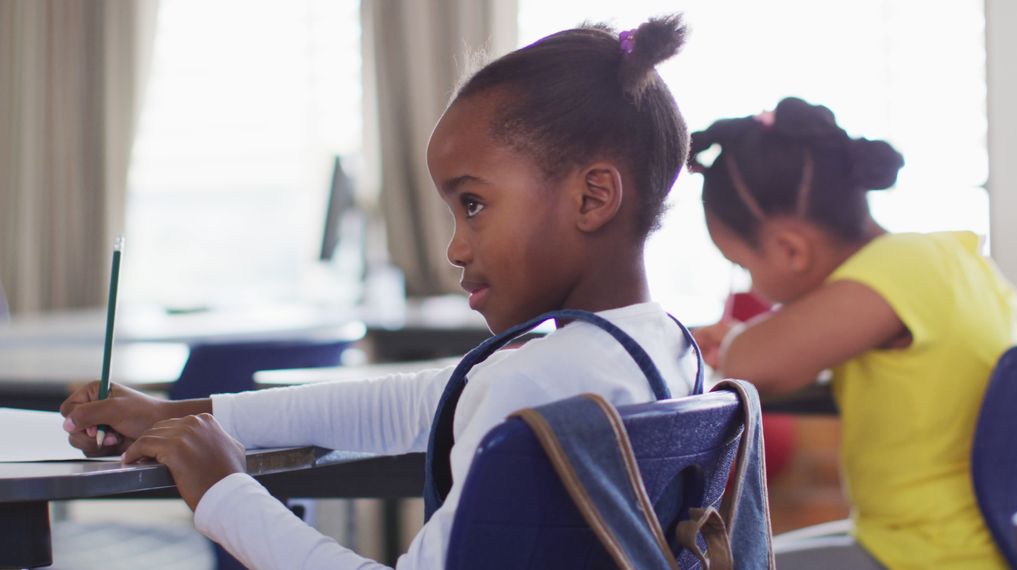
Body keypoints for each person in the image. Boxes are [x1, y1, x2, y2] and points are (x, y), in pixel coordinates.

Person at [60, 16, 698, 570]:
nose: (455, 247)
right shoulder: (661, 350)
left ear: (593, 197)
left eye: (473, 204)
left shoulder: (539, 384)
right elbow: (410, 405)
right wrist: (173, 414)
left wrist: (223, 490)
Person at [690, 97, 1017, 569]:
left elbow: (750, 365)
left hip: (934, 554)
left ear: (791, 250)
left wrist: (731, 345)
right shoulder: (946, 257)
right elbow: (781, 366)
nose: (750, 284)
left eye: (744, 266)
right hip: (966, 542)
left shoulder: (896, 269)